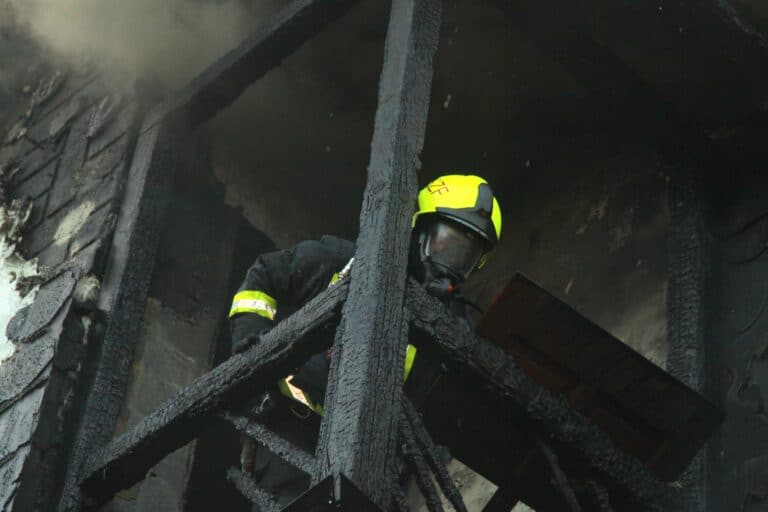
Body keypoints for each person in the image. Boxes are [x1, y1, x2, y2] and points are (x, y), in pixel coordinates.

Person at [229, 174, 502, 507]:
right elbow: (264, 278)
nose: (450, 265)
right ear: (418, 229)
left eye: (465, 257)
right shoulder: (345, 264)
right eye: (447, 243)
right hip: (292, 433)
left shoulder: (449, 334)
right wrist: (253, 347)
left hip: (370, 470)